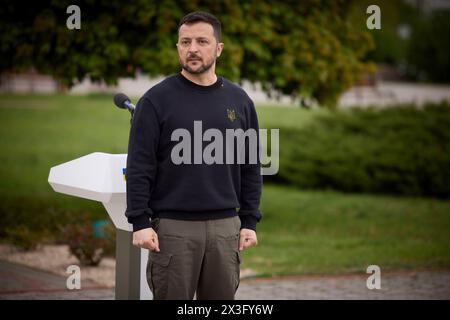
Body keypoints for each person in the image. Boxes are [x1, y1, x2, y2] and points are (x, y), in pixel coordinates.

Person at [125, 11, 262, 300]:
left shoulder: (240, 101)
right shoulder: (155, 100)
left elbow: (251, 167)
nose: (193, 49)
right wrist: (139, 222)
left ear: (219, 48)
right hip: (173, 230)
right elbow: (139, 166)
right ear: (178, 47)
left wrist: (249, 220)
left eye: (202, 41)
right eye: (185, 42)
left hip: (226, 228)